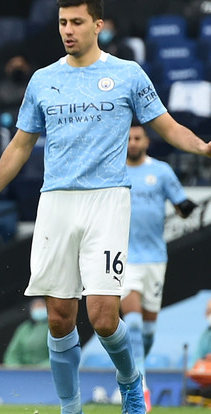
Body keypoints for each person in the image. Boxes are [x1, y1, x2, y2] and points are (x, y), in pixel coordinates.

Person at [0, 1, 211, 413]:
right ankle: (71, 407)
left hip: (107, 201)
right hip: (56, 202)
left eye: (77, 22)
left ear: (98, 25)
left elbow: (165, 125)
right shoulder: (44, 80)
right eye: (62, 22)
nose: (68, 30)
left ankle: (131, 383)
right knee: (59, 318)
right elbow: (20, 147)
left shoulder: (127, 74)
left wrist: (202, 147)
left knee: (102, 316)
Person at [122, 123, 196, 398]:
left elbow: (182, 205)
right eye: (128, 138)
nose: (132, 143)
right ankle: (139, 388)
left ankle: (131, 370)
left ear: (146, 142)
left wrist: (187, 207)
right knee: (135, 325)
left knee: (148, 331)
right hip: (124, 258)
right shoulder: (114, 170)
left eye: (137, 138)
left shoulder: (161, 172)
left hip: (154, 258)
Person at [3, 298, 50, 367]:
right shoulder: (24, 328)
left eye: (42, 306)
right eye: (36, 307)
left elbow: (60, 355)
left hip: (46, 373)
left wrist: (41, 368)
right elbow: (12, 354)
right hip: (24, 374)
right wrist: (16, 368)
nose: (39, 309)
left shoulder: (54, 326)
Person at [0, 55, 31, 131]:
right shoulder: (2, 87)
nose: (17, 69)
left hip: (30, 121)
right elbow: (3, 100)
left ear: (27, 68)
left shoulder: (33, 85)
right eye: (14, 66)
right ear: (8, 68)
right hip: (8, 122)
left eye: (20, 66)